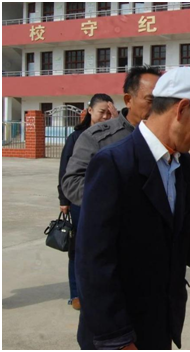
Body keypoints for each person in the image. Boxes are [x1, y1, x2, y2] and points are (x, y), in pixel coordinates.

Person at [75, 67, 190, 350]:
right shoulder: (114, 164)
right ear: (182, 109)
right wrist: (117, 339)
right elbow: (93, 262)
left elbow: (184, 232)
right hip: (120, 329)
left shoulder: (180, 163)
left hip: (159, 322)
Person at [62, 65, 190, 214]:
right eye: (150, 100)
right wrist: (123, 200)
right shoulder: (98, 138)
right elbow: (72, 183)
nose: (157, 107)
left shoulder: (169, 141)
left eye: (161, 101)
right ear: (128, 100)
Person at [57, 93, 117, 311]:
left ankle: (101, 290)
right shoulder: (77, 137)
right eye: (101, 112)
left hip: (108, 202)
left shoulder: (112, 136)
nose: (104, 116)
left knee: (105, 246)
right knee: (79, 248)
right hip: (80, 201)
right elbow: (65, 170)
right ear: (89, 110)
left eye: (108, 113)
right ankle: (77, 294)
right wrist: (64, 199)